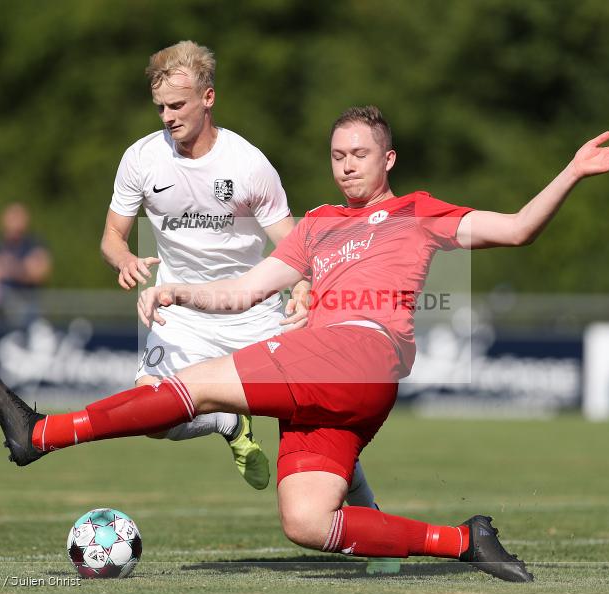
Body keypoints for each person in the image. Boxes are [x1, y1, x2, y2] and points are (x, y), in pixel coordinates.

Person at [0, 105, 609, 582]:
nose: (347, 165)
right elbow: (245, 290)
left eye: (360, 154)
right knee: (306, 521)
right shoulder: (317, 224)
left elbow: (517, 229)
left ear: (388, 160)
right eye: (338, 155)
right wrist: (181, 291)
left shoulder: (419, 213)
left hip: (358, 353)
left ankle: (40, 435)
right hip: (338, 385)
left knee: (198, 384)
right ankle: (464, 540)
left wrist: (571, 171)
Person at [96, 40, 390, 561]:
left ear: (208, 98)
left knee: (319, 425)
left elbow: (292, 241)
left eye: (178, 106)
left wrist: (302, 288)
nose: (167, 117)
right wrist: (123, 260)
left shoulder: (248, 164)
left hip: (253, 313)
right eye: (161, 107)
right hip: (181, 310)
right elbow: (112, 236)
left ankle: (371, 531)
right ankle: (225, 421)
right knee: (153, 419)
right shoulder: (140, 159)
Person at [0, 202, 52, 330]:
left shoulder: (34, 244)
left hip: (28, 310)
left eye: (18, 218)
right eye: (12, 218)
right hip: (1, 313)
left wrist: (10, 269)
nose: (15, 223)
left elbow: (40, 272)